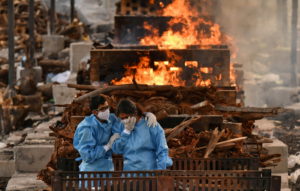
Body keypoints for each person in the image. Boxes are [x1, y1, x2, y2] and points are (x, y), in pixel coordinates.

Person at [73, 95, 158, 172]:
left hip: (108, 168)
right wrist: (107, 146)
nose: (106, 111)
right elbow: (87, 156)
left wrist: (146, 115)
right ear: (95, 112)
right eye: (103, 109)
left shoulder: (111, 119)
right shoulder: (86, 128)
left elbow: (127, 115)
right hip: (91, 173)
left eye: (107, 107)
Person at [112, 99, 173, 171]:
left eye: (126, 117)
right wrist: (126, 132)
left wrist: (160, 170)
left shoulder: (151, 124)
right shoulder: (121, 126)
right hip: (129, 175)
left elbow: (162, 150)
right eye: (122, 118)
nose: (124, 120)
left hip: (149, 173)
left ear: (134, 113)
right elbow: (116, 149)